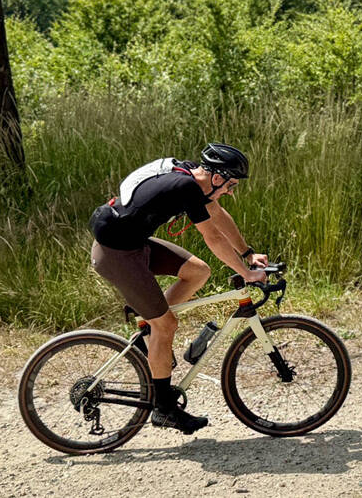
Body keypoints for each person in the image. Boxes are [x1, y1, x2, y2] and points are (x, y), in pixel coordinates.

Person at [88, 142, 267, 434]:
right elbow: (213, 237)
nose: (231, 191)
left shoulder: (193, 178)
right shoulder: (185, 187)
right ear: (217, 177)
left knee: (198, 271)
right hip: (116, 253)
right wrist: (246, 273)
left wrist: (247, 253)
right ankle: (164, 409)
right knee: (167, 325)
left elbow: (218, 214)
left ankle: (149, 329)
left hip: (133, 243)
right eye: (231, 184)